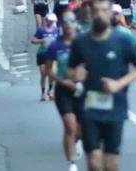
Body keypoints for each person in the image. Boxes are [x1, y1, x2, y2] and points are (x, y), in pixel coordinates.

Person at [69, 0, 136, 171]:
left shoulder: (123, 40)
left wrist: (119, 84)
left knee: (111, 164)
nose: (100, 14)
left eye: (104, 10)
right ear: (90, 12)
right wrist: (76, 74)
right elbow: (71, 70)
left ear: (111, 13)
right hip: (89, 109)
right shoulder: (81, 42)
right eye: (96, 10)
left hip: (115, 109)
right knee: (94, 162)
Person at [45, 11, 82, 171]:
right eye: (65, 22)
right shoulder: (55, 45)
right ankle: (72, 162)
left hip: (81, 89)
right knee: (69, 125)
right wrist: (62, 82)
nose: (68, 25)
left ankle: (76, 141)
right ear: (62, 26)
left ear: (75, 24)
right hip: (63, 90)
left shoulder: (83, 43)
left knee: (81, 128)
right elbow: (49, 70)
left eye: (71, 21)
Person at [32, 13, 60, 101]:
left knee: (53, 72)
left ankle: (51, 90)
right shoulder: (41, 30)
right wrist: (41, 40)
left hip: (53, 55)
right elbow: (33, 40)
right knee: (43, 73)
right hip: (42, 54)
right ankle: (43, 93)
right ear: (46, 20)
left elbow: (62, 41)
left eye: (53, 21)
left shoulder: (57, 30)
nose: (51, 22)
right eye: (50, 20)